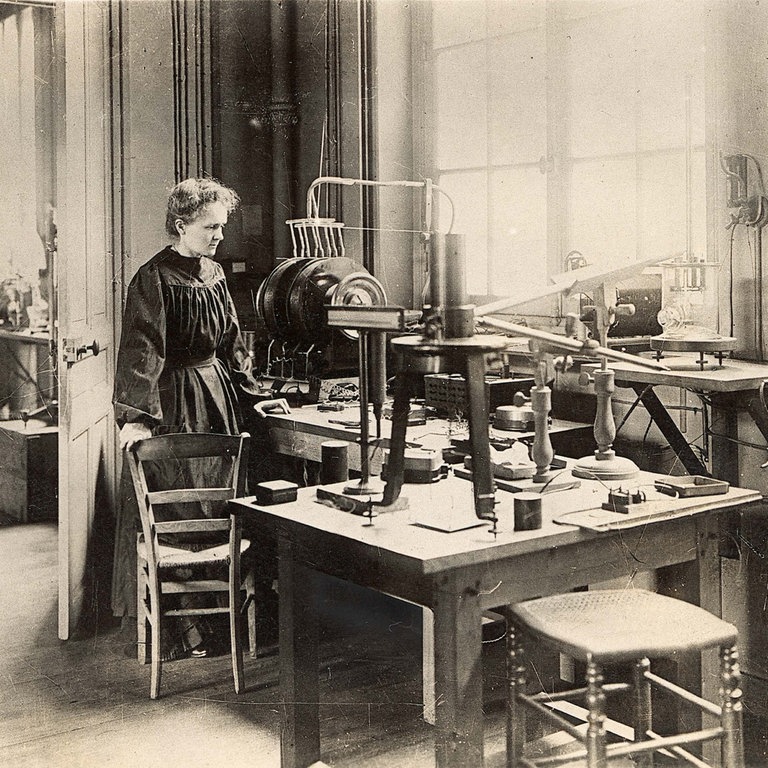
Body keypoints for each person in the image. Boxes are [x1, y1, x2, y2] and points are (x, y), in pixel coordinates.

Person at [112, 177, 252, 659]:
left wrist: (253, 393)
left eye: (222, 227)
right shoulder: (153, 277)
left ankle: (220, 621)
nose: (218, 236)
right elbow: (141, 349)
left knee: (219, 505)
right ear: (181, 224)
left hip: (218, 398)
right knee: (180, 507)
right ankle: (186, 626)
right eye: (209, 227)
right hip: (174, 403)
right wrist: (137, 415)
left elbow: (232, 341)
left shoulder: (214, 274)